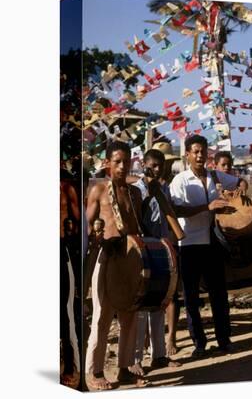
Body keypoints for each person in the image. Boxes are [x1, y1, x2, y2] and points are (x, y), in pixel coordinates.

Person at [170, 135, 240, 357]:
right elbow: (177, 210)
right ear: (188, 155)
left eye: (204, 152)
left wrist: (240, 191)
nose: (200, 156)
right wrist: (207, 207)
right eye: (196, 152)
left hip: (213, 244)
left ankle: (224, 340)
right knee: (191, 297)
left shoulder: (214, 176)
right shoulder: (180, 181)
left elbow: (238, 182)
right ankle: (199, 344)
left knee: (219, 294)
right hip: (189, 244)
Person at [84, 141, 146, 390]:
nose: (122, 166)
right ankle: (94, 372)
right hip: (106, 258)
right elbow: (89, 226)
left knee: (129, 316)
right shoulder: (98, 190)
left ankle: (125, 368)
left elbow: (137, 227)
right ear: (108, 163)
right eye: (117, 161)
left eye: (126, 161)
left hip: (129, 262)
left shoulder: (135, 193)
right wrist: (96, 237)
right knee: (102, 318)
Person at [131, 149, 180, 375]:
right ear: (144, 165)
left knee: (158, 304)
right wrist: (149, 192)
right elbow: (136, 217)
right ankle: (136, 359)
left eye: (160, 165)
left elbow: (169, 216)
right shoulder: (137, 190)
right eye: (153, 165)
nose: (157, 169)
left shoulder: (164, 189)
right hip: (143, 250)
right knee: (141, 307)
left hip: (161, 248)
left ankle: (159, 356)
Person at [60, 178, 81, 388]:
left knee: (62, 311)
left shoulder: (65, 187)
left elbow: (75, 226)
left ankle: (68, 365)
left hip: (60, 251)